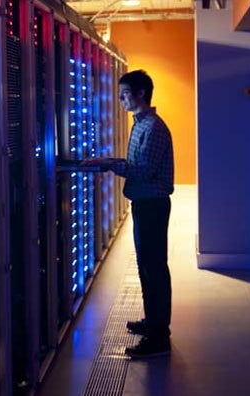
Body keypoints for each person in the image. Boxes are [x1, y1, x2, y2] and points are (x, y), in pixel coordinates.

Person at [82, 69, 174, 358]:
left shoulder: (153, 128)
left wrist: (107, 163)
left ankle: (159, 337)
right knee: (147, 266)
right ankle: (153, 321)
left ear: (140, 94)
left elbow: (143, 171)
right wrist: (107, 162)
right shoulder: (140, 124)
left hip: (152, 205)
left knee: (154, 268)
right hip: (144, 204)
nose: (120, 99)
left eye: (124, 94)